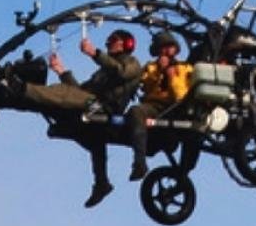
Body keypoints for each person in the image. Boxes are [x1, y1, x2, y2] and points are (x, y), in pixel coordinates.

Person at [43, 26, 144, 208]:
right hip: (95, 105)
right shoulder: (103, 72)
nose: (107, 44)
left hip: (107, 109)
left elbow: (120, 71)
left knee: (87, 126)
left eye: (112, 40)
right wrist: (62, 71)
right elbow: (81, 93)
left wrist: (94, 53)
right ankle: (102, 183)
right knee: (90, 134)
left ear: (125, 43)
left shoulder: (132, 64)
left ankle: (103, 182)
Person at [128, 32, 194, 180]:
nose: (166, 51)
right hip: (151, 106)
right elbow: (145, 86)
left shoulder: (185, 68)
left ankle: (182, 173)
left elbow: (180, 96)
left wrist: (171, 76)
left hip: (173, 109)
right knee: (135, 112)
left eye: (169, 47)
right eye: (162, 48)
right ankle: (139, 162)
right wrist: (158, 71)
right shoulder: (150, 68)